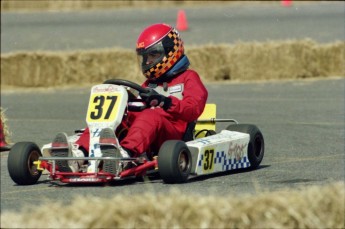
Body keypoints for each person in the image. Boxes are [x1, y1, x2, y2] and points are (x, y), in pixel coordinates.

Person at [51, 23, 208, 173]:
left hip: (173, 135)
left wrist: (165, 101)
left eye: (153, 55)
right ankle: (79, 155)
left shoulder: (189, 77)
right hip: (148, 136)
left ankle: (124, 155)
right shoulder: (149, 84)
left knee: (152, 114)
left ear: (169, 52)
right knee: (117, 115)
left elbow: (193, 109)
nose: (147, 62)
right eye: (145, 57)